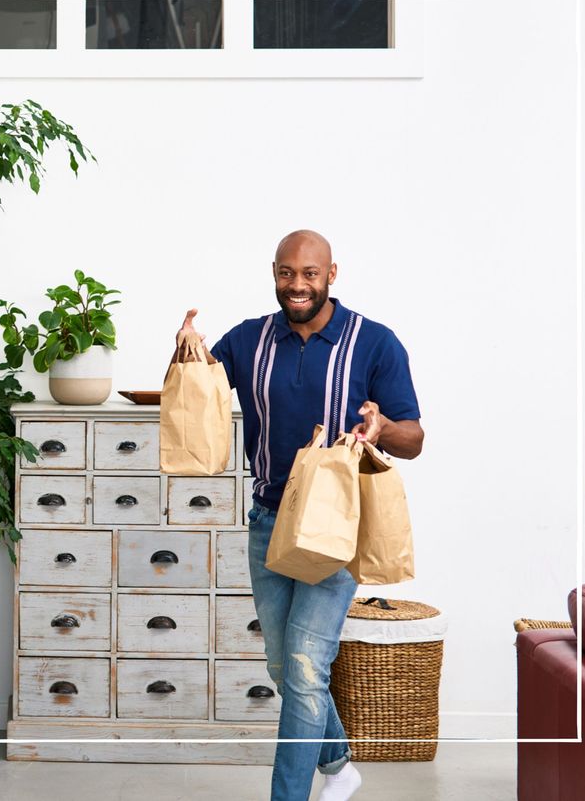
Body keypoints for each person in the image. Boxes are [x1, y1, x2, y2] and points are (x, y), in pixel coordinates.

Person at [172, 229, 423, 801]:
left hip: (335, 527)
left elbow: (414, 437)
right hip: (266, 519)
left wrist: (382, 429)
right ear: (275, 273)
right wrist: (185, 348)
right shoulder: (250, 339)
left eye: (310, 273)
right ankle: (338, 765)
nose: (298, 285)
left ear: (332, 275)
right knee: (285, 668)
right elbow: (200, 389)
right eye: (287, 273)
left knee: (308, 665)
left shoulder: (374, 343)